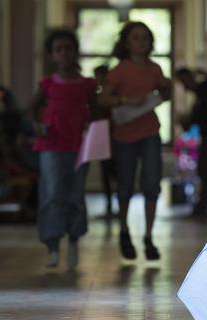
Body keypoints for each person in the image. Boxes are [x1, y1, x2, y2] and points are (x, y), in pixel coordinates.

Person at [99, 22, 172, 260]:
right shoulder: (120, 70)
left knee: (151, 184)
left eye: (145, 38)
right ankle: (124, 231)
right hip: (124, 136)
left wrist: (167, 89)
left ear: (151, 42)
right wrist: (125, 100)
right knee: (125, 185)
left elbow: (164, 95)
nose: (140, 42)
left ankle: (149, 237)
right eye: (135, 38)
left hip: (150, 132)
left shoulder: (155, 69)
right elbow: (103, 100)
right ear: (126, 42)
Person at [28, 29, 98, 268]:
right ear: (51, 55)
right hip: (51, 144)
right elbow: (32, 108)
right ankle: (53, 245)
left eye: (69, 49)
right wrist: (37, 125)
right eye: (59, 50)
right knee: (52, 193)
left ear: (76, 52)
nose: (65, 54)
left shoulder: (87, 85)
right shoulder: (47, 84)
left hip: (80, 146)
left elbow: (97, 113)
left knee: (76, 194)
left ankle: (74, 238)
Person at [175, 68, 207, 216]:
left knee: (206, 169)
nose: (184, 86)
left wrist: (205, 74)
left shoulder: (205, 87)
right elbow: (190, 124)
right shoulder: (198, 98)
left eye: (184, 81)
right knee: (206, 170)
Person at [93, 65, 117, 221]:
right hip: (103, 139)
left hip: (115, 138)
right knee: (106, 175)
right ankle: (109, 206)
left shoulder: (114, 96)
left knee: (116, 175)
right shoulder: (97, 96)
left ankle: (118, 208)